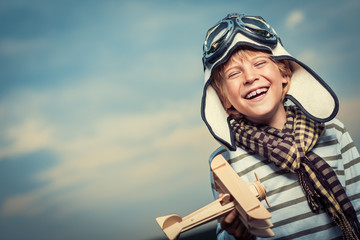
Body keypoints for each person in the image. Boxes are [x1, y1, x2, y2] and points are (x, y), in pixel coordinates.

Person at [200, 13, 360, 239]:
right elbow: (227, 232)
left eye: (260, 63)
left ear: (284, 72)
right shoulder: (226, 163)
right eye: (234, 73)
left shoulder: (334, 131)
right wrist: (236, 234)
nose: (250, 77)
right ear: (225, 99)